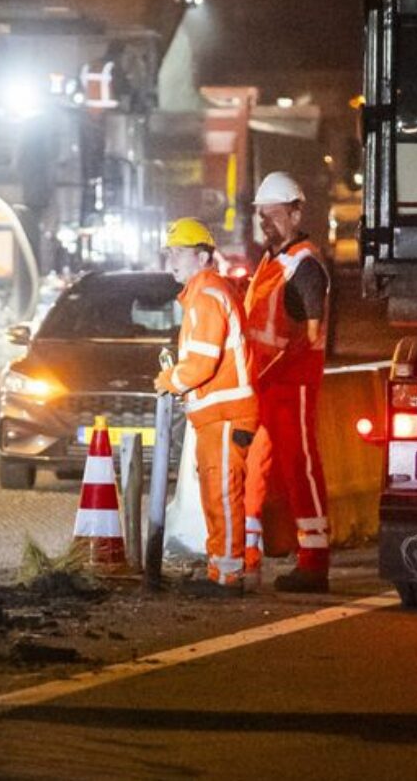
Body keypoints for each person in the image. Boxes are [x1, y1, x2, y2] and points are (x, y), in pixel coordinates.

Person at [154, 218, 259, 596]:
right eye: (169, 253)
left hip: (226, 414)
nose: (172, 261)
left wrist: (170, 381)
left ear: (202, 256)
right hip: (217, 415)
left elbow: (201, 364)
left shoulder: (207, 296)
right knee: (216, 494)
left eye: (179, 253)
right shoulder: (203, 293)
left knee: (224, 496)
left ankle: (228, 575)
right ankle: (220, 570)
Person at [243, 171, 333, 593]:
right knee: (254, 469)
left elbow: (310, 334)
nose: (265, 222)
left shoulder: (304, 265)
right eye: (262, 215)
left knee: (300, 466)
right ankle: (245, 554)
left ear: (296, 213)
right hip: (264, 382)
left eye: (273, 215)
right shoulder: (271, 263)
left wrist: (279, 363)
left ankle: (314, 561)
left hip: (292, 382)